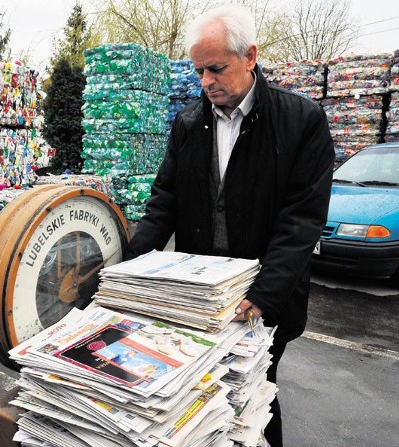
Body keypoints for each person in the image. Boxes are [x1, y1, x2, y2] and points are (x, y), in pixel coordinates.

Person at [124, 5, 334, 447]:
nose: (206, 82)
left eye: (216, 69)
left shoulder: (300, 122)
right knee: (196, 403)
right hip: (201, 299)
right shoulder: (188, 124)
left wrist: (262, 296)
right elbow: (164, 204)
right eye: (199, 70)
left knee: (254, 399)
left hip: (263, 302)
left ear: (250, 56)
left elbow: (301, 220)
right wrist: (124, 272)